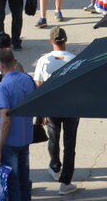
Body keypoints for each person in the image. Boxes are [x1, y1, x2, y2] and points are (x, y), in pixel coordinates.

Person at [31, 28, 79, 195]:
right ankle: (66, 182)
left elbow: (38, 84)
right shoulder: (74, 59)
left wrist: (42, 109)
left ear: (51, 41)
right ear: (66, 41)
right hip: (72, 106)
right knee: (70, 143)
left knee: (53, 137)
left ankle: (55, 166)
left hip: (51, 106)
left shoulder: (44, 60)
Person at [0, 49, 37, 201]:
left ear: (1, 65)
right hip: (26, 137)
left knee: (13, 184)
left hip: (10, 141)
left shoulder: (4, 86)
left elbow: (6, 120)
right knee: (24, 180)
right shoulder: (27, 79)